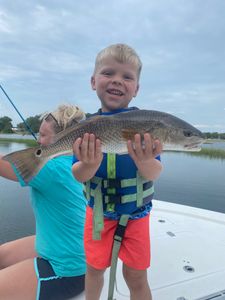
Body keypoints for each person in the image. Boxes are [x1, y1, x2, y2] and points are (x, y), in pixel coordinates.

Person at [72, 44, 163, 300]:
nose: (117, 81)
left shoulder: (146, 124)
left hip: (136, 214)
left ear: (136, 88)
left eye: (127, 77)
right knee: (93, 269)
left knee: (136, 276)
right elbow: (78, 174)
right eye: (108, 73)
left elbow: (155, 172)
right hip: (97, 214)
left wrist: (145, 160)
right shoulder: (84, 128)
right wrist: (88, 165)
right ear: (93, 81)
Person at [0, 104, 87, 300]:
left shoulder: (51, 169)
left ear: (62, 140)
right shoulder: (77, 163)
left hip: (67, 269)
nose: (39, 140)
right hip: (60, 246)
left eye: (43, 135)